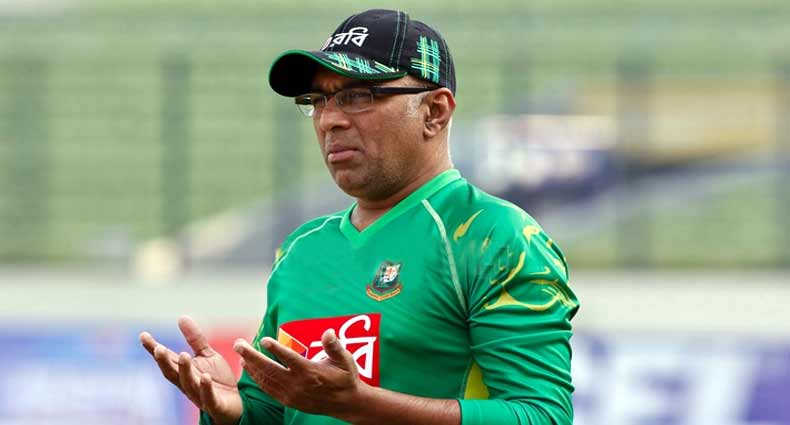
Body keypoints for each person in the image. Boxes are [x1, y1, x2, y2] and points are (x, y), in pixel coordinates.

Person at [140, 8, 579, 425]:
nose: (329, 120)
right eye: (317, 100)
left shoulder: (492, 236)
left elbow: (541, 415)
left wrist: (363, 404)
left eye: (356, 96)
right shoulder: (301, 250)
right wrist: (232, 411)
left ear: (434, 112)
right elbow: (280, 411)